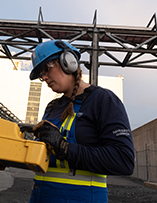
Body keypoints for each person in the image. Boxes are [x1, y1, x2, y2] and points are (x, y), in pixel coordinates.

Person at [27, 40, 135, 203]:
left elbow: (123, 161)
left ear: (68, 61)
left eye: (46, 69)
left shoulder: (103, 100)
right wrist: (9, 155)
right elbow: (46, 160)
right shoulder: (52, 107)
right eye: (40, 74)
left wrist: (64, 148)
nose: (44, 77)